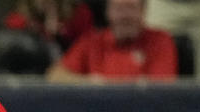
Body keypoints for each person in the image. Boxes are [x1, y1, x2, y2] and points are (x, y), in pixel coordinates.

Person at [46, 0, 178, 83]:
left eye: (131, 8)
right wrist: (89, 83)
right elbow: (54, 76)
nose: (125, 16)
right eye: (119, 9)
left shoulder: (160, 41)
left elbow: (162, 87)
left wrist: (106, 86)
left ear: (143, 12)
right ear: (108, 12)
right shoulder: (92, 41)